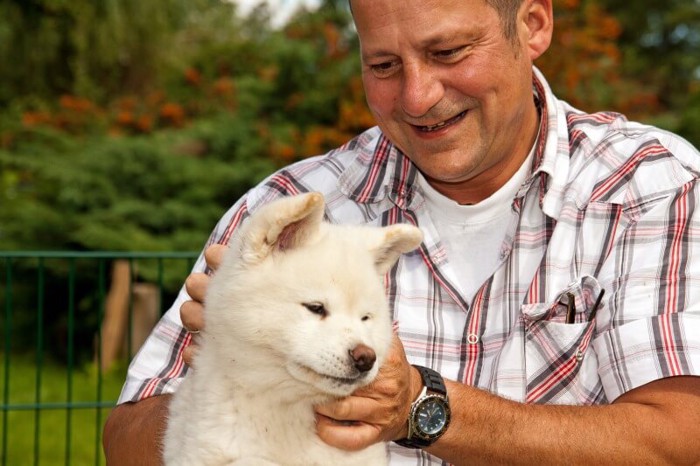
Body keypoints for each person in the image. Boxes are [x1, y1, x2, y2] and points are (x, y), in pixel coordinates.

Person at [103, 0, 700, 464]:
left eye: (448, 52)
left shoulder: (650, 187)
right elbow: (126, 439)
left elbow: (677, 442)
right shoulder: (292, 209)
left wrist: (418, 406)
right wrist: (247, 374)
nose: (417, 96)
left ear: (534, 24)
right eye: (384, 66)